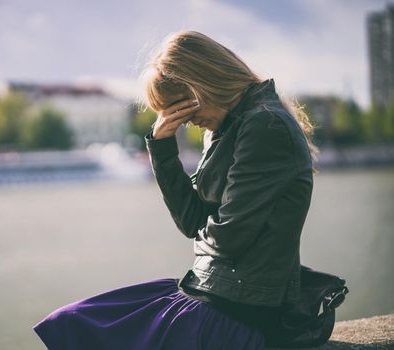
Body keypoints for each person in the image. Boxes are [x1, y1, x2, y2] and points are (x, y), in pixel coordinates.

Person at [32, 30, 319, 349]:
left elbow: (230, 237)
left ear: (201, 87)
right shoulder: (226, 128)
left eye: (180, 108)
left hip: (239, 312)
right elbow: (191, 220)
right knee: (72, 320)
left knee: (90, 332)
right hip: (212, 294)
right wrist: (162, 146)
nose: (184, 121)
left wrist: (205, 237)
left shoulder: (266, 126)